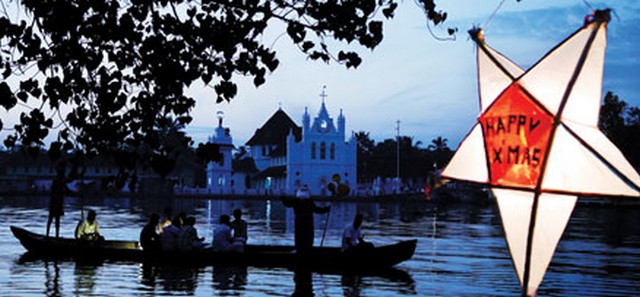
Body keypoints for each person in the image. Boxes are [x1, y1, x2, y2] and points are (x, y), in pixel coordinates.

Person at [282, 184, 330, 253]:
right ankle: (305, 250)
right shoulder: (306, 202)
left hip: (302, 222)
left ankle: (302, 250)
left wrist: (283, 197)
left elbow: (287, 203)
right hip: (306, 223)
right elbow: (317, 210)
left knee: (302, 237)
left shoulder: (298, 201)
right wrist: (327, 209)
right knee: (305, 237)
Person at [46, 165, 73, 238]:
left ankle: (55, 236)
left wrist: (77, 194)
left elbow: (67, 191)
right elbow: (66, 190)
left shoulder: (61, 181)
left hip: (58, 203)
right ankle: (48, 235)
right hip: (55, 202)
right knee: (51, 219)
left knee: (56, 220)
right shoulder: (57, 181)